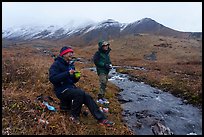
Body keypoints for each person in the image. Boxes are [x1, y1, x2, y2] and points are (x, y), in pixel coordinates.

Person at [49, 46, 114, 126]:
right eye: (69, 53)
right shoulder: (56, 64)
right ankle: (74, 117)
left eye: (72, 52)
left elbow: (72, 80)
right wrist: (67, 73)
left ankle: (101, 119)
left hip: (70, 89)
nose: (71, 54)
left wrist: (76, 78)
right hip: (61, 91)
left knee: (87, 96)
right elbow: (52, 79)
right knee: (79, 93)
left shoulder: (71, 65)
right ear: (63, 54)